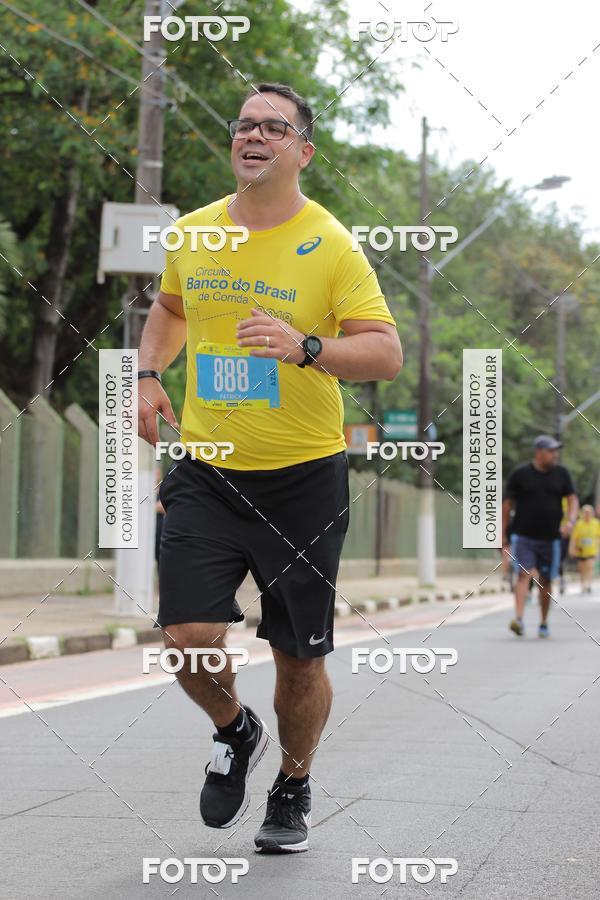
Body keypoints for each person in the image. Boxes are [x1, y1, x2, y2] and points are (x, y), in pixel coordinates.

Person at [136, 82, 402, 854]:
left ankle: (293, 784)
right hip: (208, 469)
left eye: (274, 127)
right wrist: (148, 377)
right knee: (187, 636)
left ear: (302, 151)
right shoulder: (193, 232)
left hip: (303, 479)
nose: (255, 135)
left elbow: (384, 351)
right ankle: (234, 727)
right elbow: (172, 311)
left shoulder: (332, 243)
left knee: (297, 656)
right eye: (245, 125)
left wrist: (306, 347)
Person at [502, 435, 578, 638]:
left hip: (551, 538)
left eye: (555, 451)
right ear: (539, 452)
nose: (555, 455)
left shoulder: (562, 474)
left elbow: (572, 499)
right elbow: (506, 504)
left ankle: (543, 622)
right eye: (551, 451)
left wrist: (570, 521)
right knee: (524, 574)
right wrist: (502, 534)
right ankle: (518, 619)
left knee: (546, 581)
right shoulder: (521, 474)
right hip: (523, 536)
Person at [569, 505, 600, 594]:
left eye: (589, 512)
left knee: (590, 567)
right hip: (581, 550)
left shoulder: (596, 523)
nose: (587, 514)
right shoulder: (579, 524)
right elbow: (574, 538)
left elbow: (598, 537)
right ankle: (583, 584)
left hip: (591, 550)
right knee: (582, 568)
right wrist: (572, 549)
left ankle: (588, 585)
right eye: (585, 512)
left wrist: (598, 548)